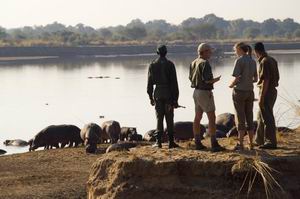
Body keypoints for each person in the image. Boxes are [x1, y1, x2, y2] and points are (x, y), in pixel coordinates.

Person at [189, 43, 225, 152]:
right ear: (204, 52)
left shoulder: (193, 62)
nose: (211, 53)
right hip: (205, 92)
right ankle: (214, 143)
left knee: (197, 117)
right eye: (209, 51)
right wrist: (216, 80)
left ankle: (197, 142)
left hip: (196, 92)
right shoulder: (205, 63)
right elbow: (207, 80)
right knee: (212, 117)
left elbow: (190, 78)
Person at [147, 45, 180, 149]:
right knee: (169, 118)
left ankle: (158, 142)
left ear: (157, 53)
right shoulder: (170, 64)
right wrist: (175, 99)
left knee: (159, 117)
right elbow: (174, 83)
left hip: (158, 94)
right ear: (166, 53)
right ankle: (171, 142)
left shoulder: (152, 65)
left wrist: (150, 97)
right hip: (168, 94)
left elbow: (149, 83)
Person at [229, 42, 258, 150]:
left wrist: (232, 85)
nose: (235, 51)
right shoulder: (252, 61)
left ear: (240, 49)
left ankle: (241, 144)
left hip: (240, 92)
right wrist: (247, 80)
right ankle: (251, 144)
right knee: (249, 116)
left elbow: (236, 77)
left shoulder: (239, 60)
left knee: (240, 117)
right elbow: (256, 79)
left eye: (235, 49)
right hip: (250, 92)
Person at [254, 42, 280, 149]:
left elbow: (266, 80)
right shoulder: (272, 59)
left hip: (267, 92)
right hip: (272, 91)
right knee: (260, 116)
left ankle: (271, 142)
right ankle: (259, 140)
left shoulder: (264, 61)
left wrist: (262, 97)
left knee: (267, 117)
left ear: (256, 52)